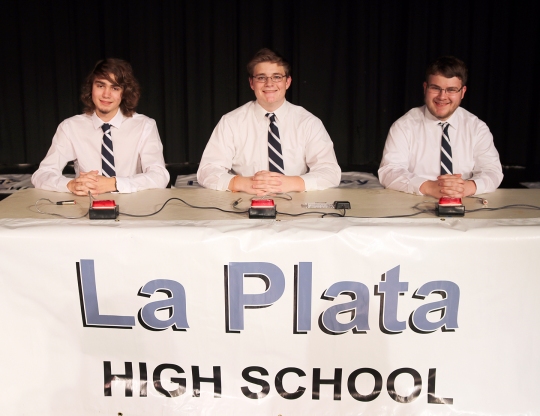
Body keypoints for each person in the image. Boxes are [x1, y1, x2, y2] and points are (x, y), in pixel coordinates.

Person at [197, 48, 341, 195]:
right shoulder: (230, 122)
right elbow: (207, 171)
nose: (269, 83)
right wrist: (243, 183)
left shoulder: (309, 123)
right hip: (244, 201)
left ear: (288, 82)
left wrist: (290, 183)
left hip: (296, 202)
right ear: (252, 83)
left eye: (277, 77)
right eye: (261, 77)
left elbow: (330, 172)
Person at [32, 58, 169, 195]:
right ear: (91, 88)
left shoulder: (144, 126)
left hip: (133, 210)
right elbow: (41, 175)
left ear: (124, 92)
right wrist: (70, 185)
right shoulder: (70, 127)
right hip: (85, 209)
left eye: (115, 88)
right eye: (100, 85)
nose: (106, 94)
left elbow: (160, 176)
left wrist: (114, 183)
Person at [378, 56, 503, 198]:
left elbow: (493, 171)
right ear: (425, 88)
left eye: (451, 90)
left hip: (465, 203)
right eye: (436, 88)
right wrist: (428, 187)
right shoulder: (404, 126)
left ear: (463, 92)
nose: (442, 97)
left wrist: (467, 187)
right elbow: (389, 171)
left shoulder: (477, 128)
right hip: (415, 203)